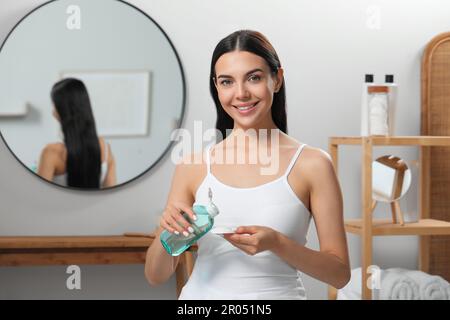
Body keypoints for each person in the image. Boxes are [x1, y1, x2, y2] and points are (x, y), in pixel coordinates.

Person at [145, 30, 350, 299]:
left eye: (254, 78)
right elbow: (156, 275)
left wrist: (277, 243)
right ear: (216, 87)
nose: (240, 93)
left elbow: (339, 274)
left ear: (276, 79)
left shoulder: (312, 164)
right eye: (227, 82)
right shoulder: (193, 166)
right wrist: (170, 233)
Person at [37, 78, 116, 189]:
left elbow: (37, 198)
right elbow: (111, 196)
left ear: (61, 110)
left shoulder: (51, 152)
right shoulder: (105, 148)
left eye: (54, 104)